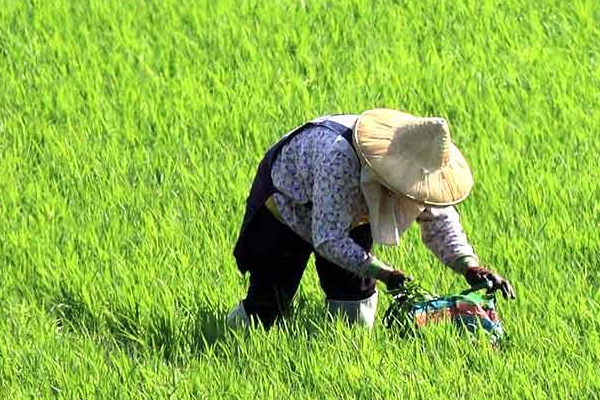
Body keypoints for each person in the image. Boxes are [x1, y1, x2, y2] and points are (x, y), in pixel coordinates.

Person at [227, 109, 516, 329]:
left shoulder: (423, 167)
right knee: (266, 310)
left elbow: (440, 222)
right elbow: (328, 238)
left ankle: (341, 360)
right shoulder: (339, 159)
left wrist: (470, 267)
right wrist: (383, 272)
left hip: (350, 213)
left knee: (354, 311)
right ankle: (227, 330)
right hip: (287, 205)